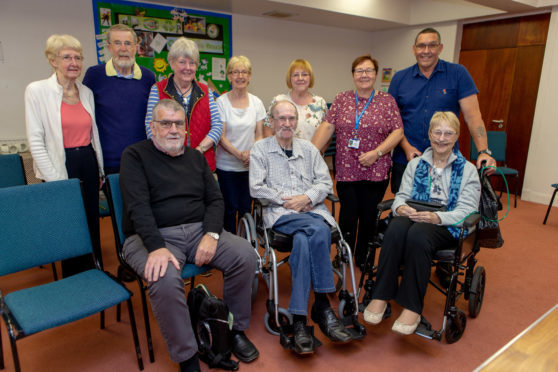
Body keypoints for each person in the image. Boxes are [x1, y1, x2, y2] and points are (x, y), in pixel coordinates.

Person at [120, 99, 259, 371]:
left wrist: (211, 234)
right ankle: (188, 356)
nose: (173, 129)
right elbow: (138, 207)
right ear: (153, 127)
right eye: (165, 123)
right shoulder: (135, 155)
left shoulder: (195, 157)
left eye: (178, 124)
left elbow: (216, 201)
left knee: (245, 255)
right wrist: (157, 247)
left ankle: (233, 331)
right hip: (151, 235)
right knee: (163, 275)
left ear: (185, 129)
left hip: (198, 230)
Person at [250, 100, 353, 355]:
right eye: (281, 118)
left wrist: (306, 198)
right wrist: (289, 200)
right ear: (271, 122)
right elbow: (256, 187)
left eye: (291, 118)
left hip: (311, 210)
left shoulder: (309, 149)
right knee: (317, 231)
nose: (286, 123)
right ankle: (322, 307)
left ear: (296, 122)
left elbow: (324, 183)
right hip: (280, 213)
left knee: (305, 239)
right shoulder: (260, 150)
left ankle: (299, 319)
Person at [364, 111, 481, 335]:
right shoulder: (416, 164)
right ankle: (381, 295)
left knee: (419, 233)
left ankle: (412, 307)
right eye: (437, 132)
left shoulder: (468, 170)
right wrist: (401, 208)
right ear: (429, 134)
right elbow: (401, 195)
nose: (442, 138)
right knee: (396, 227)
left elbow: (467, 211)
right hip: (415, 215)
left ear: (456, 136)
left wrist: (437, 217)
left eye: (448, 133)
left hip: (447, 225)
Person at [312, 54, 404, 267]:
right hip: (346, 169)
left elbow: (398, 132)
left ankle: (364, 256)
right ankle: (343, 255)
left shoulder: (386, 101)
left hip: (376, 169)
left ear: (375, 74)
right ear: (353, 75)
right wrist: (311, 152)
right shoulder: (342, 99)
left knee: (369, 215)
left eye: (369, 70)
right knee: (348, 216)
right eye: (359, 71)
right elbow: (327, 126)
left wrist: (377, 153)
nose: (364, 75)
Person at [25, 34, 104, 277]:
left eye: (78, 57)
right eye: (67, 57)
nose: (74, 62)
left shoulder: (86, 92)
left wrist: (99, 168)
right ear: (53, 60)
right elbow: (36, 141)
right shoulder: (37, 91)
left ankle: (94, 267)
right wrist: (55, 179)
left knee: (91, 217)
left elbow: (93, 135)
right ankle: (73, 277)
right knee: (67, 221)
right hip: (60, 163)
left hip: (87, 161)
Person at [388, 27, 496, 194]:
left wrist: (483, 151)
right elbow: (393, 122)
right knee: (404, 208)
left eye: (432, 45)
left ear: (440, 48)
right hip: (407, 158)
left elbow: (473, 116)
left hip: (446, 160)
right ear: (414, 49)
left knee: (443, 210)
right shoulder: (399, 78)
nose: (426, 51)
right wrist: (407, 148)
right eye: (421, 46)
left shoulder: (458, 73)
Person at [83, 24, 155, 174]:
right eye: (117, 43)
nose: (123, 48)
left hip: (142, 159)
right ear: (109, 47)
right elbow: (84, 116)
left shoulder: (148, 77)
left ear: (136, 47)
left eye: (128, 43)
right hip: (108, 162)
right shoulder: (94, 75)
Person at [145, 37, 222, 172]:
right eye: (182, 62)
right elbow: (150, 126)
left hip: (201, 162)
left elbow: (217, 126)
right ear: (172, 63)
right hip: (167, 163)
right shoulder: (157, 89)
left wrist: (199, 150)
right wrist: (167, 152)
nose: (187, 68)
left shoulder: (206, 92)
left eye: (192, 63)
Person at [216, 56, 265, 233]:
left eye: (244, 72)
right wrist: (240, 154)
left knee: (246, 208)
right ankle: (229, 246)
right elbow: (220, 137)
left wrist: (251, 154)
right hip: (226, 166)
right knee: (229, 208)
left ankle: (246, 246)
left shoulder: (257, 102)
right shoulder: (221, 102)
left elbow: (260, 134)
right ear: (229, 76)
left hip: (250, 166)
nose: (240, 76)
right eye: (235, 72)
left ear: (249, 76)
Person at [263, 59, 327, 141]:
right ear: (290, 79)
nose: (300, 78)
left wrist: (318, 152)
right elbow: (267, 132)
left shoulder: (320, 103)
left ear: (310, 78)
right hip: (282, 153)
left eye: (304, 74)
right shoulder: (278, 101)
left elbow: (326, 135)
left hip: (313, 153)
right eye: (296, 75)